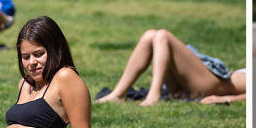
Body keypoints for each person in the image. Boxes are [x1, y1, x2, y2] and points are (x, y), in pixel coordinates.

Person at [94, 28, 247, 106]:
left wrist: (227, 98)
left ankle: (154, 94)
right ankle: (118, 94)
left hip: (212, 85)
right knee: (150, 35)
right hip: (196, 82)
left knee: (163, 35)